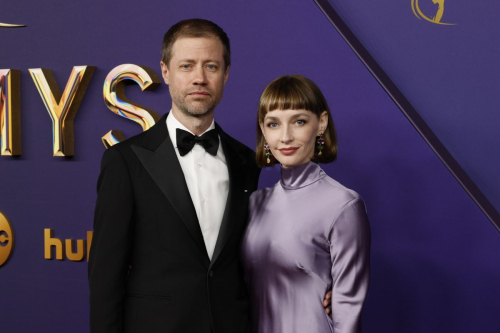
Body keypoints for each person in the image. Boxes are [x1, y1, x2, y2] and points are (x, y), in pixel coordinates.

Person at [88, 19, 260, 333]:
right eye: (186, 66)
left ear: (226, 74)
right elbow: (104, 278)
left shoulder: (247, 161)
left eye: (211, 66)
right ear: (165, 72)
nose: (199, 78)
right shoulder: (125, 161)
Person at [241, 75, 371, 333]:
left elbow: (347, 313)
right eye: (274, 124)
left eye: (299, 121)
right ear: (263, 130)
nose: (286, 136)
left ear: (321, 123)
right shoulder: (254, 202)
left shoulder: (344, 204)